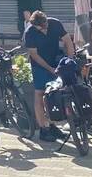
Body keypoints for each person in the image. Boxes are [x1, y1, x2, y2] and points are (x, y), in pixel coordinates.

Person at [23, 10, 74, 142]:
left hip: (56, 60)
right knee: (39, 94)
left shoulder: (55, 24)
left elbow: (68, 41)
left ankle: (52, 125)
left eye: (44, 26)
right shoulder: (30, 33)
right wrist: (49, 68)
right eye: (39, 28)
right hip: (39, 66)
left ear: (46, 20)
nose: (43, 30)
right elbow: (34, 55)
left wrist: (69, 60)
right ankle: (43, 128)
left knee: (55, 95)